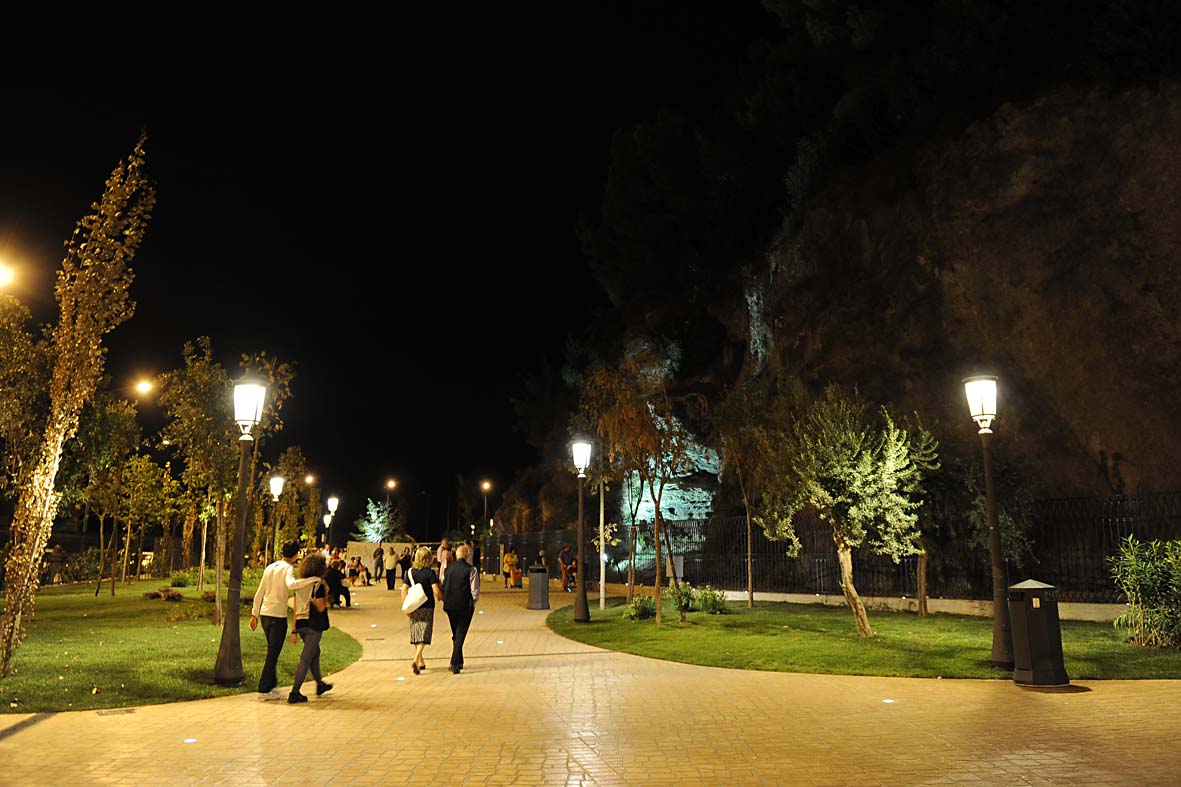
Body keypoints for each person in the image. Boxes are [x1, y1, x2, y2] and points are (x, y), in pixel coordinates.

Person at [250, 541, 317, 696]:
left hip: (265, 615)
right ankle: (264, 687)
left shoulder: (270, 567)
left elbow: (259, 593)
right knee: (272, 654)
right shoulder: (288, 568)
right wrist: (312, 579)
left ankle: (271, 683)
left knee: (272, 650)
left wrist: (255, 614)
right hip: (277, 616)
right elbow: (291, 585)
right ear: (295, 554)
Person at [288, 552, 334, 703]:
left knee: (315, 652)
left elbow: (296, 608)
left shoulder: (299, 584)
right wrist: (325, 593)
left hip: (300, 623)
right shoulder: (318, 584)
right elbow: (320, 607)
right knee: (306, 658)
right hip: (313, 624)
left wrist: (294, 630)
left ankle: (320, 684)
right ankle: (294, 692)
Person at [402, 545, 442, 675]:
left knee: (416, 632)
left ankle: (421, 661)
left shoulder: (410, 572)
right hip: (427, 605)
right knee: (425, 633)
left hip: (414, 606)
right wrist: (441, 597)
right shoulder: (430, 573)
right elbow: (435, 590)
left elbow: (404, 590)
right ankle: (415, 659)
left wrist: (406, 606)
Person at [442, 544, 480, 674]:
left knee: (456, 633)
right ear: (467, 555)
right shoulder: (471, 570)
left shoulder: (448, 569)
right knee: (461, 633)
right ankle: (454, 662)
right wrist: (474, 602)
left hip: (449, 605)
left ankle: (459, 660)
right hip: (464, 605)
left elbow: (443, 583)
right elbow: (474, 590)